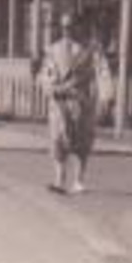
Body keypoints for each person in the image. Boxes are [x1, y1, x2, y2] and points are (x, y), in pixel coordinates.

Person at [37, 11, 110, 195]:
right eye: (63, 27)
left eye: (70, 26)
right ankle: (59, 180)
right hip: (60, 101)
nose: (66, 31)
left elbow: (102, 72)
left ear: (79, 26)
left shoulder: (92, 50)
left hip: (81, 101)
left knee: (82, 140)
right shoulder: (53, 49)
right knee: (57, 139)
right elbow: (45, 73)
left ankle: (78, 181)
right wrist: (50, 87)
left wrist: (105, 97)